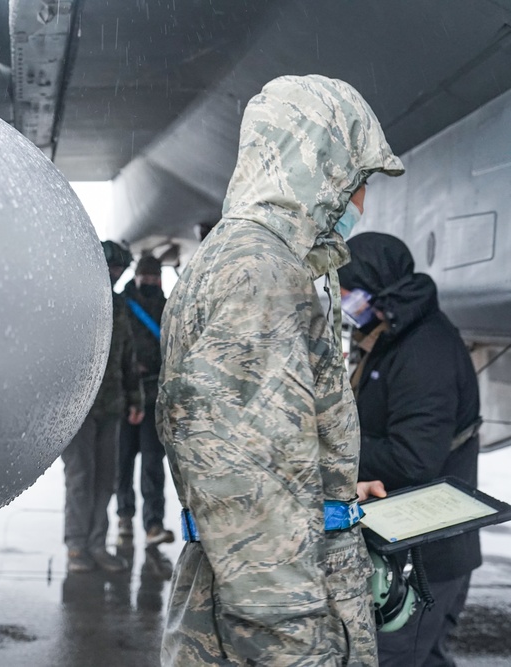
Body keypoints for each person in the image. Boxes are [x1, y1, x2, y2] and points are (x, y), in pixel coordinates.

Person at [155, 74, 403, 665]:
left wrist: (331, 497)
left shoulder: (244, 259)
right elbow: (249, 503)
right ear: (321, 165)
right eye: (359, 179)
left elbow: (255, 458)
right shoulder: (261, 277)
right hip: (274, 627)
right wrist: (298, 650)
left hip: (244, 595)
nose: (362, 202)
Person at [339, 232, 481, 667]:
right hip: (409, 546)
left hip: (429, 557)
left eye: (348, 292)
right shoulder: (393, 333)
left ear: (375, 288)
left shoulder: (424, 350)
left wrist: (335, 451)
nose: (344, 302)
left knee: (398, 658)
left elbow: (415, 458)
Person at [63, 240, 144, 573]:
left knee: (105, 480)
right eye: (112, 268)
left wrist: (135, 398)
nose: (115, 274)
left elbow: (128, 356)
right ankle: (76, 545)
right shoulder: (73, 302)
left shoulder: (119, 306)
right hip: (77, 412)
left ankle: (97, 544)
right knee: (81, 478)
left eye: (120, 270)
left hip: (111, 407)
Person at [116, 254, 175, 547]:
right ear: (136, 277)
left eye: (155, 278)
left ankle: (153, 524)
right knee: (122, 462)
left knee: (153, 463)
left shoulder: (166, 308)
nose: (151, 282)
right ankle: (124, 518)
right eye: (146, 277)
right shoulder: (123, 306)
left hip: (153, 398)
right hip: (126, 397)